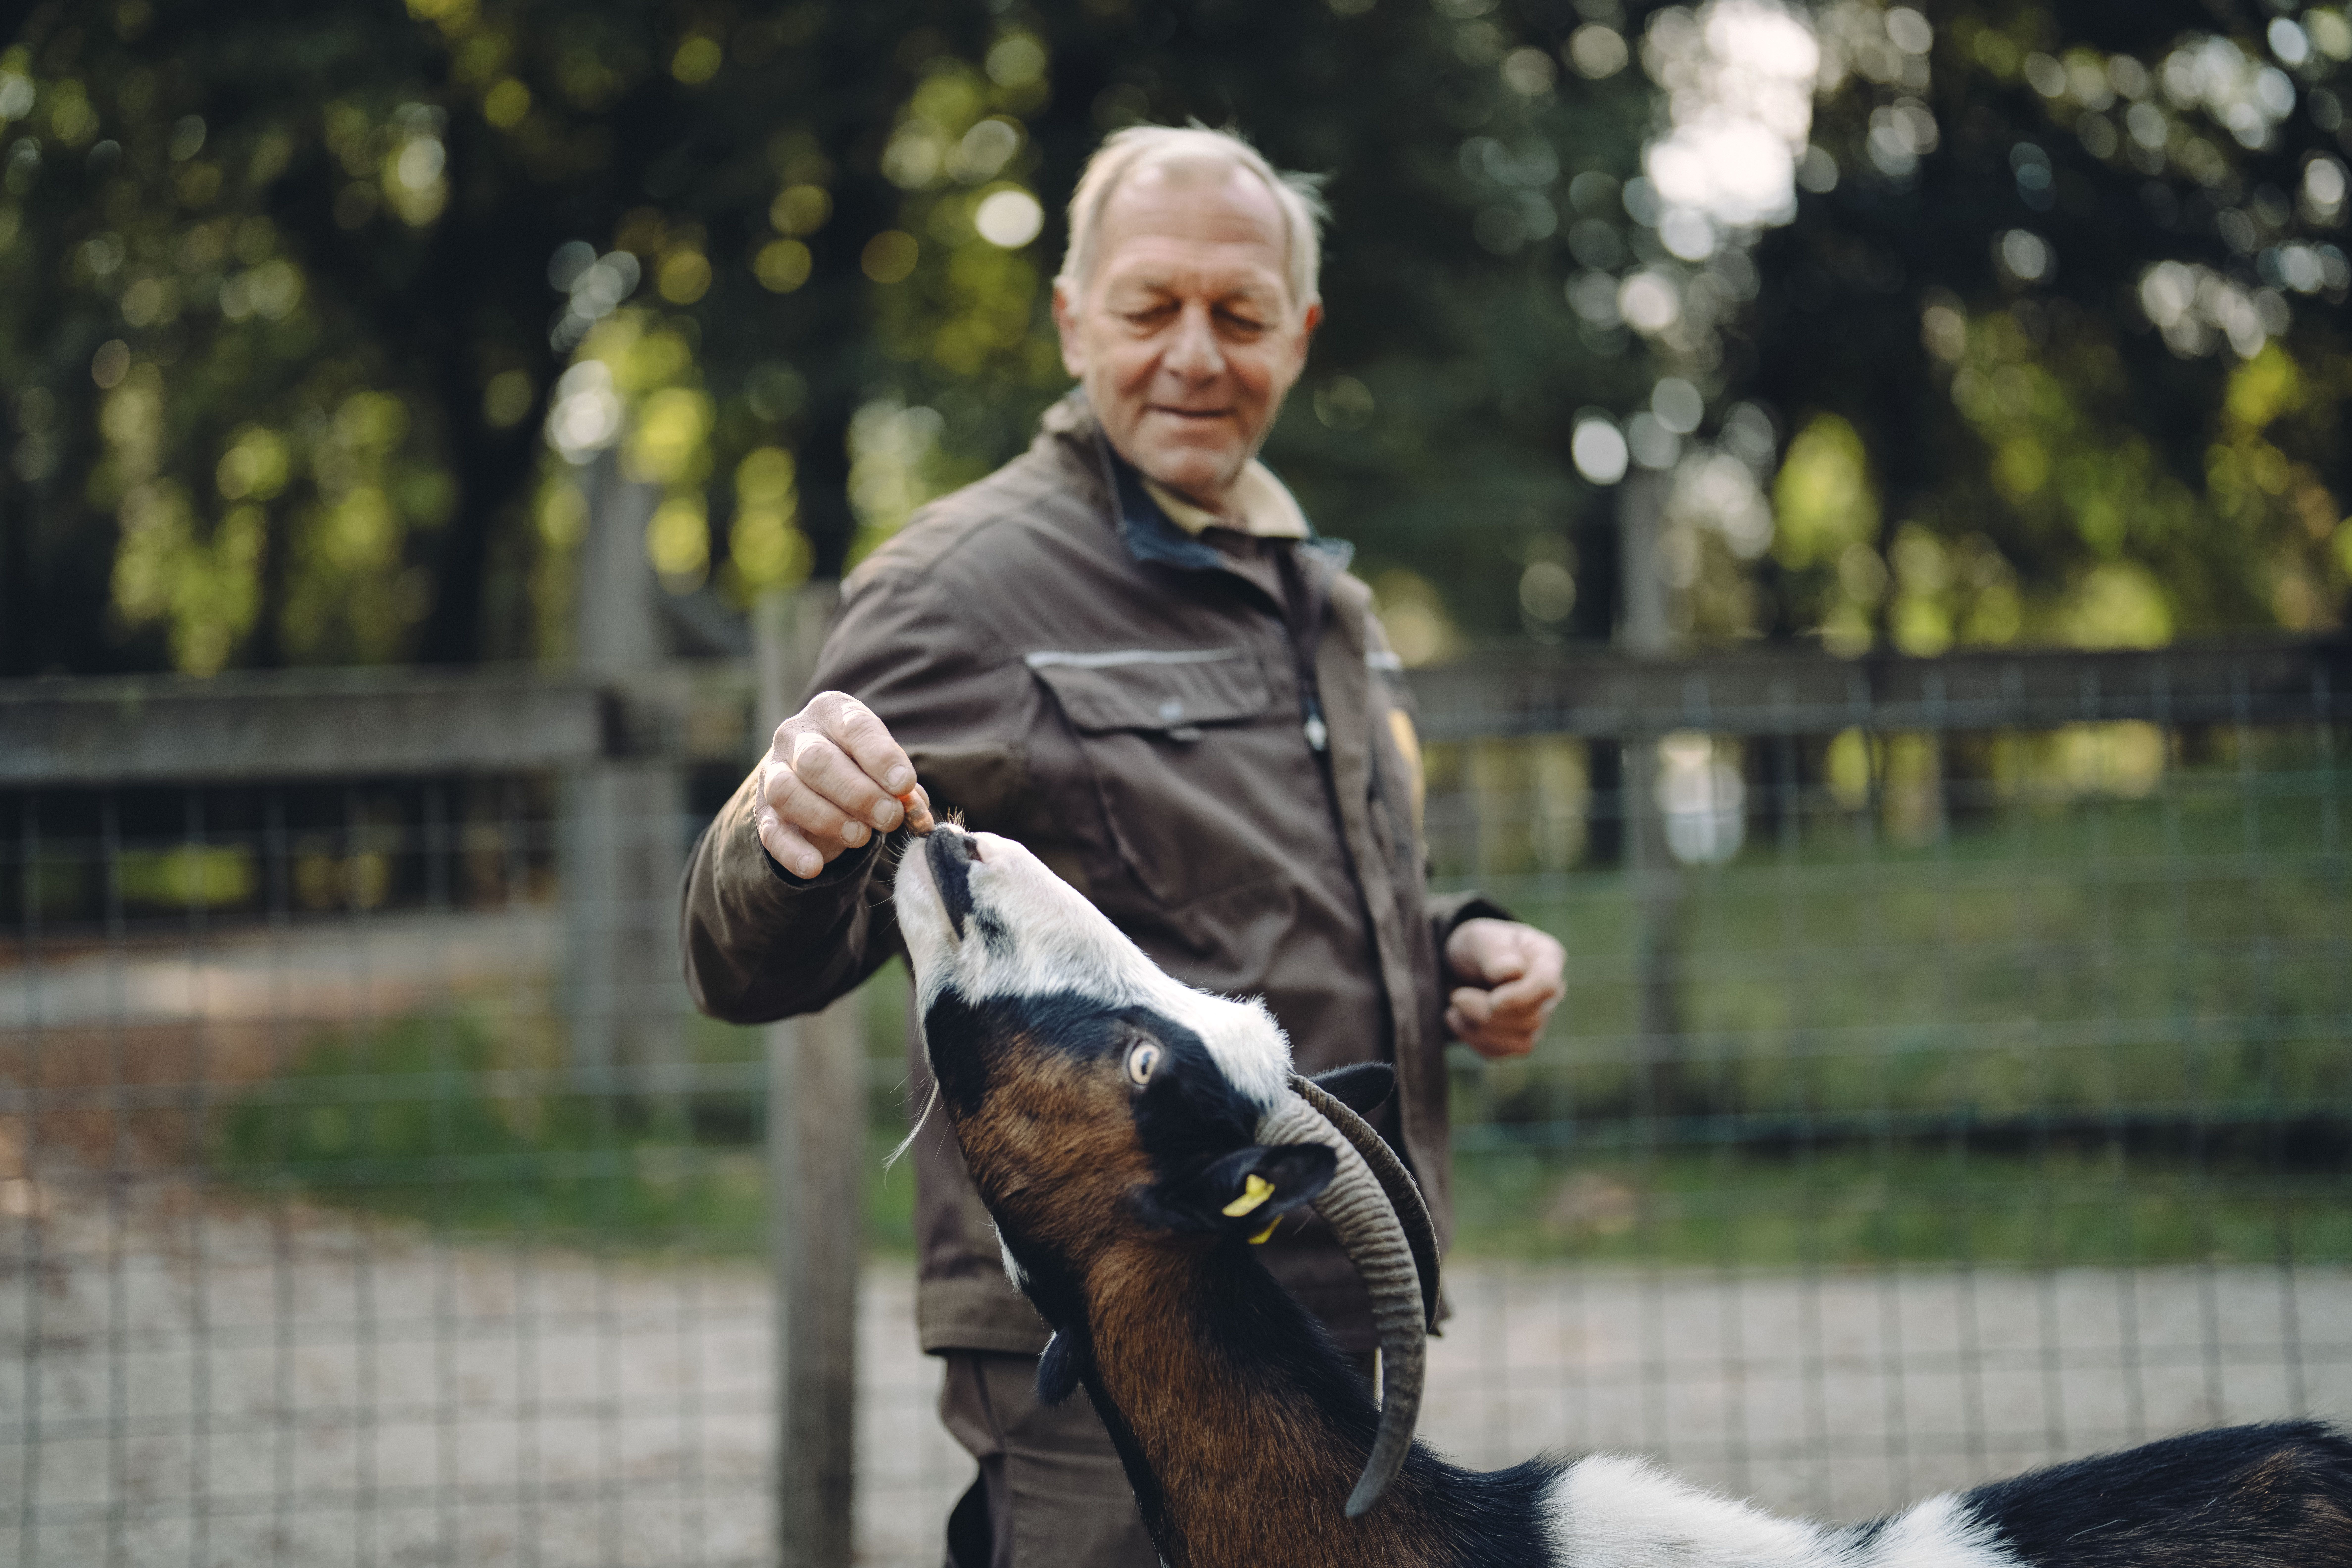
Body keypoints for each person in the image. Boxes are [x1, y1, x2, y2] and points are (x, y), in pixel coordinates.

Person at [679, 124, 1565, 1568]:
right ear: (1073, 317)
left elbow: (1292, 882)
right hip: (1117, 1326)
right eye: (1152, 308)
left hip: (1330, 1300)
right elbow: (745, 963)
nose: (1197, 356)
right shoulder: (962, 587)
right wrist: (779, 825)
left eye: (1242, 314)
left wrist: (1460, 936)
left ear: (1304, 331)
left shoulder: (1314, 594)